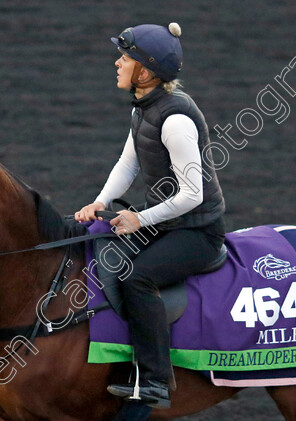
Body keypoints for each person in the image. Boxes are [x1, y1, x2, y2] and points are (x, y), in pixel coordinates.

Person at [74, 22, 226, 408]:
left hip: (197, 232)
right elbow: (128, 165)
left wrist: (140, 219)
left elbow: (193, 195)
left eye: (125, 58)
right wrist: (98, 202)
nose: (117, 63)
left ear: (146, 72)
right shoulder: (144, 108)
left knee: (138, 278)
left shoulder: (175, 121)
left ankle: (156, 381)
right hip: (167, 221)